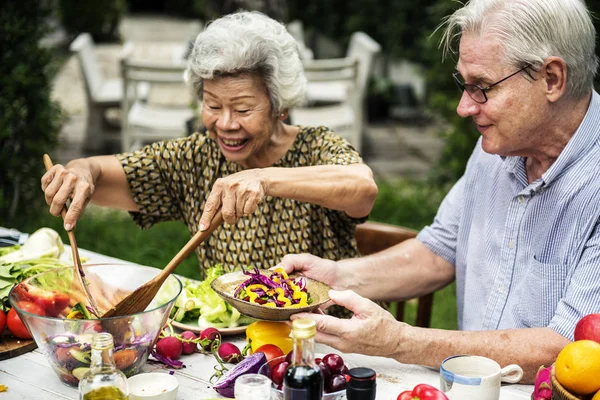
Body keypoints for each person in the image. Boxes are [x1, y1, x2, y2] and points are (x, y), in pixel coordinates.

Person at [278, 0, 600, 383]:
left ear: (551, 79)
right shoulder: (495, 150)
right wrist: (334, 277)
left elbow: (567, 348)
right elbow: (439, 251)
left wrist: (398, 341)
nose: (465, 106)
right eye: (464, 85)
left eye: (481, 87)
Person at [41, 11, 377, 278]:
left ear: (281, 105)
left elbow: (362, 188)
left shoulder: (317, 147)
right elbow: (98, 174)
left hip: (320, 341)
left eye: (244, 109)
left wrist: (264, 180)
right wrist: (79, 172)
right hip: (229, 345)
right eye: (213, 106)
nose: (226, 123)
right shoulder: (195, 158)